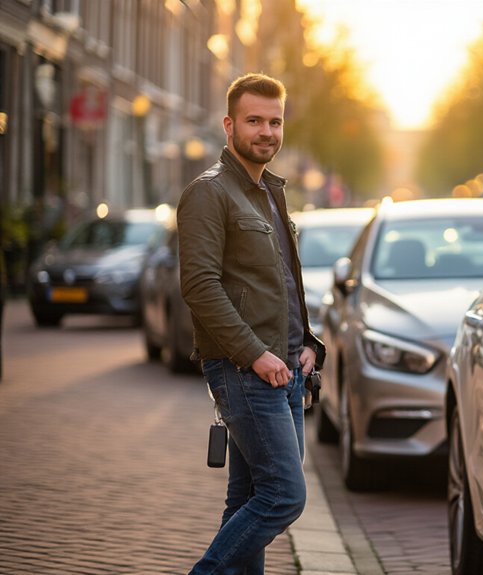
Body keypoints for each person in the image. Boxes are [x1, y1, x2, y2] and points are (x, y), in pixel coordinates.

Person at [177, 72, 325, 574]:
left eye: (275, 121)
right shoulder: (209, 193)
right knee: (284, 497)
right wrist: (255, 354)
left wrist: (308, 343)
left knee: (247, 499)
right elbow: (199, 287)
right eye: (254, 120)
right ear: (229, 125)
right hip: (246, 369)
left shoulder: (270, 193)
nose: (266, 131)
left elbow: (280, 281)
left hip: (285, 368)